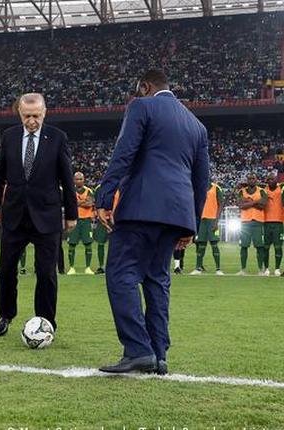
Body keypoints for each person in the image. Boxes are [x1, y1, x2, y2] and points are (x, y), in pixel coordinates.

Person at [95, 71, 209, 374]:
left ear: (144, 86)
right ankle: (159, 355)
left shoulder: (141, 106)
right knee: (158, 281)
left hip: (141, 207)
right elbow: (202, 181)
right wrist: (192, 225)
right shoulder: (196, 125)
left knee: (120, 273)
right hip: (177, 214)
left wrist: (105, 197)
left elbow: (124, 153)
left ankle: (137, 349)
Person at [0, 93, 77, 336]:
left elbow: (67, 179)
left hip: (46, 217)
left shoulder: (58, 138)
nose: (32, 121)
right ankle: (6, 314)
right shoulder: (9, 137)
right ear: (19, 113)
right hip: (14, 215)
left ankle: (45, 322)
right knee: (6, 270)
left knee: (46, 273)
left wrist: (71, 213)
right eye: (27, 116)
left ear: (44, 113)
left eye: (36, 115)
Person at [237, 173, 268, 276]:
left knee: (259, 246)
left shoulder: (262, 191)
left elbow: (263, 205)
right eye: (249, 178)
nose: (251, 180)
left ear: (256, 180)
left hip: (258, 222)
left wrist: (249, 202)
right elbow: (241, 206)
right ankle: (243, 269)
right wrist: (255, 202)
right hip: (245, 222)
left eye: (253, 178)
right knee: (244, 246)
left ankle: (260, 269)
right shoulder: (242, 191)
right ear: (247, 180)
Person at [191, 181, 224, 275]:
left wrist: (216, 221)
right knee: (201, 244)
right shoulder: (199, 188)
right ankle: (198, 268)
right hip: (202, 220)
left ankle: (218, 269)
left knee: (214, 244)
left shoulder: (216, 188)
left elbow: (221, 204)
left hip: (212, 219)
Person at [67, 172, 95, 275]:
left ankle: (88, 267)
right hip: (74, 219)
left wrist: (77, 203)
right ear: (74, 180)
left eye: (80, 179)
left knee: (88, 243)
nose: (79, 181)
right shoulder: (70, 190)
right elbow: (70, 203)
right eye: (77, 179)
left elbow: (90, 204)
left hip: (86, 220)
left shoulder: (89, 191)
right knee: (72, 244)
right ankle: (71, 267)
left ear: (84, 180)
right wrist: (83, 202)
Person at [92, 186, 119, 275]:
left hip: (117, 218)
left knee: (117, 243)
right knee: (100, 243)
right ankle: (101, 266)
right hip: (103, 217)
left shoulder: (120, 187)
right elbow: (98, 206)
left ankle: (116, 266)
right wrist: (104, 222)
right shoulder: (99, 189)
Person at [263, 173, 284, 276]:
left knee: (278, 247)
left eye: (272, 179)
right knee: (266, 247)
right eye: (269, 179)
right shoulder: (264, 190)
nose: (270, 181)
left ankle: (277, 268)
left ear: (276, 180)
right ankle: (266, 268)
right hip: (266, 222)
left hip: (279, 222)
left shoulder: (281, 188)